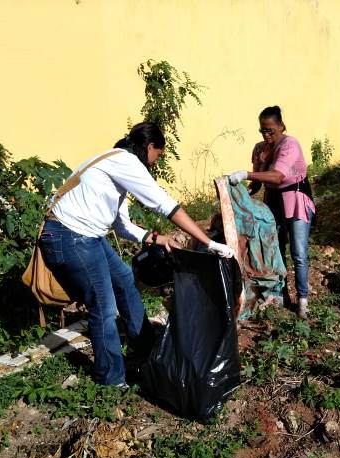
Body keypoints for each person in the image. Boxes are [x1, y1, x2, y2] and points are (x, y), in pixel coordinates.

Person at [39, 122, 234, 387]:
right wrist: (208, 243)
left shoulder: (112, 163)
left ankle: (144, 346)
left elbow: (121, 225)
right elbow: (164, 204)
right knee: (103, 307)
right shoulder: (126, 162)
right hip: (70, 236)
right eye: (158, 155)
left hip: (85, 236)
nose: (155, 163)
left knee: (124, 281)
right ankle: (110, 379)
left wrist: (156, 238)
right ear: (149, 146)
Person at [228, 106, 315, 318]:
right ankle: (280, 294)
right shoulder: (260, 149)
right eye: (263, 131)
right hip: (273, 202)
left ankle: (302, 300)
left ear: (281, 127)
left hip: (295, 199)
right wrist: (241, 198)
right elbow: (258, 184)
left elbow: (276, 176)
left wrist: (246, 174)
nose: (266, 135)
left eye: (270, 131)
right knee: (274, 249)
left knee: (298, 252)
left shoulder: (290, 145)